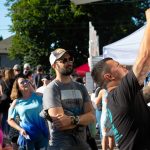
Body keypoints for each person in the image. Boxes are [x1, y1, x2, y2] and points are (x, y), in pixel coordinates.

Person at [91, 9, 150, 150]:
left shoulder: (120, 98)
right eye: (118, 65)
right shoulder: (119, 95)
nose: (123, 65)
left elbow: (145, 94)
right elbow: (144, 59)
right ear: (109, 77)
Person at [42, 48, 95, 150]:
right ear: (54, 66)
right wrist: (82, 119)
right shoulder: (52, 89)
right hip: (60, 146)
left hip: (81, 145)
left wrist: (72, 119)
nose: (69, 62)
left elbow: (92, 117)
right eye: (63, 60)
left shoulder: (81, 87)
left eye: (70, 59)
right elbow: (61, 124)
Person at [7, 76, 49, 150]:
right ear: (18, 87)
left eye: (26, 81)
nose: (25, 83)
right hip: (27, 136)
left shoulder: (38, 96)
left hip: (42, 134)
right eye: (22, 82)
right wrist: (20, 129)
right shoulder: (16, 102)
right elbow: (10, 120)